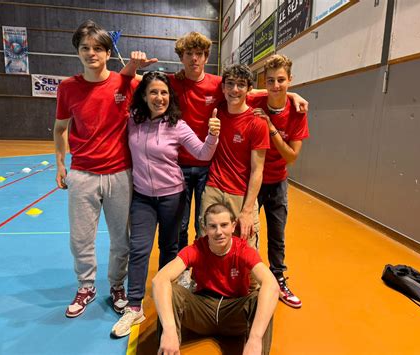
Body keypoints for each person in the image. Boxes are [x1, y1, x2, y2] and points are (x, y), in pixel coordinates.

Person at [169, 32, 309, 253]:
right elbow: (145, 82)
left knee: (246, 233)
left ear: (206, 57)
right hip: (189, 168)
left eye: (199, 54)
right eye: (189, 54)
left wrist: (291, 95)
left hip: (228, 174)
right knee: (189, 228)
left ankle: (267, 277)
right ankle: (191, 270)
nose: (194, 58)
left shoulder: (230, 96)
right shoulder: (176, 83)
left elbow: (262, 90)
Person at [54, 20, 155, 318]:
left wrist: (279, 96)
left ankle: (117, 286)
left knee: (121, 239)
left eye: (98, 48)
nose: (91, 53)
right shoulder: (68, 88)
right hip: (82, 174)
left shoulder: (128, 84)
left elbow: (168, 93)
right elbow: (60, 128)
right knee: (80, 238)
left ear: (108, 52)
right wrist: (60, 163)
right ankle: (86, 286)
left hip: (121, 174)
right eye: (85, 48)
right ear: (78, 52)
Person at [111, 71, 221, 337]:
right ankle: (134, 306)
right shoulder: (132, 122)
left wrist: (212, 134)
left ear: (169, 96)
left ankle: (166, 296)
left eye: (164, 92)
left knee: (169, 247)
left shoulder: (177, 125)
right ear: (145, 96)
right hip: (142, 198)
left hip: (172, 195)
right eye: (153, 92)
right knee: (139, 249)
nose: (159, 97)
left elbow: (203, 153)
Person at [152, 203, 279, 355]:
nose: (219, 232)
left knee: (262, 298)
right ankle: (168, 350)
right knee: (171, 291)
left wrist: (255, 338)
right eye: (213, 226)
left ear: (233, 226)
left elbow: (271, 284)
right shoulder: (196, 249)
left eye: (224, 225)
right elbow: (159, 280)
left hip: (234, 313)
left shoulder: (244, 250)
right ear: (205, 229)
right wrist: (169, 330)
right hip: (202, 310)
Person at [248, 54, 309, 308]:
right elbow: (228, 86)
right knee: (247, 231)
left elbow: (291, 156)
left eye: (281, 80)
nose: (276, 86)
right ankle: (247, 278)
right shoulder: (255, 100)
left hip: (278, 181)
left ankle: (278, 279)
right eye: (271, 80)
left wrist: (270, 127)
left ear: (290, 80)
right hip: (252, 178)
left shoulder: (297, 112)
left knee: (277, 235)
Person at [200, 64, 269, 249]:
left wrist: (247, 210)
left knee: (245, 250)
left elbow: (257, 170)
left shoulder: (257, 122)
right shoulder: (218, 112)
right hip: (213, 187)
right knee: (207, 245)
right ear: (223, 88)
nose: (234, 90)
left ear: (249, 89)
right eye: (230, 84)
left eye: (241, 85)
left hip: (241, 193)